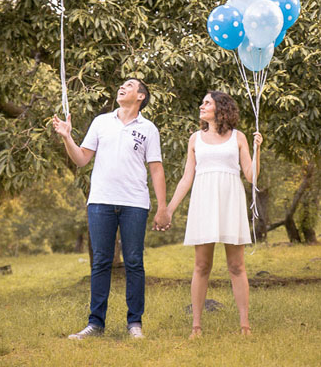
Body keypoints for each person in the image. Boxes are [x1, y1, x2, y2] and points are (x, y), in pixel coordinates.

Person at [53, 78, 171, 340]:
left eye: (129, 85)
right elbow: (82, 159)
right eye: (121, 85)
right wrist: (67, 137)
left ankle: (135, 324)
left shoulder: (149, 129)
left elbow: (156, 168)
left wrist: (163, 207)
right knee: (101, 262)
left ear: (141, 96)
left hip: (135, 203)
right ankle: (95, 324)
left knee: (134, 262)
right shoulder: (101, 122)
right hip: (101, 201)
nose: (122, 87)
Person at [167, 91, 262, 338]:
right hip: (204, 200)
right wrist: (169, 209)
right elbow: (187, 178)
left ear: (221, 107)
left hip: (231, 199)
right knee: (201, 265)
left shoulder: (238, 137)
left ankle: (245, 326)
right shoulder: (195, 139)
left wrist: (257, 149)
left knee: (236, 265)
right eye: (202, 102)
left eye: (207, 102)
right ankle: (196, 326)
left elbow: (251, 176)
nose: (201, 106)